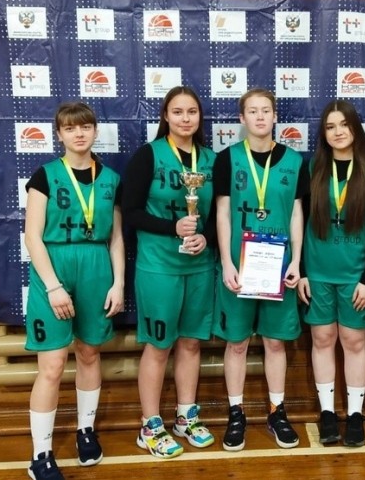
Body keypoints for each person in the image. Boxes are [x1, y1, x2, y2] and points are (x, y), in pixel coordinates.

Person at [24, 102, 125, 480]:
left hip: (96, 265)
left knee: (89, 352)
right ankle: (41, 455)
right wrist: (53, 286)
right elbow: (32, 236)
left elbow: (116, 238)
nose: (79, 134)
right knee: (52, 366)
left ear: (95, 131)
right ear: (60, 134)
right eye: (70, 128)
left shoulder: (111, 178)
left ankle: (85, 430)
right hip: (55, 266)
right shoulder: (45, 175)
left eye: (84, 127)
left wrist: (118, 282)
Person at [122, 86, 217, 458]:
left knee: (191, 343)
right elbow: (130, 212)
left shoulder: (210, 159)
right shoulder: (149, 155)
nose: (185, 118)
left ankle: (185, 418)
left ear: (199, 116)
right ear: (165, 116)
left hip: (199, 265)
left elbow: (217, 215)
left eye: (192, 111)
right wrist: (171, 228)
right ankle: (150, 426)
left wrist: (206, 237)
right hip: (159, 266)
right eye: (177, 112)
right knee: (160, 345)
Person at [212, 87, 308, 451]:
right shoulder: (227, 159)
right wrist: (226, 262)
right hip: (240, 263)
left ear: (275, 115)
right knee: (237, 342)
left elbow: (296, 213)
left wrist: (296, 261)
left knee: (274, 341)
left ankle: (276, 411)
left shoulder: (294, 161)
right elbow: (222, 213)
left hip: (278, 264)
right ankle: (236, 413)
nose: (260, 117)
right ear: (242, 118)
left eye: (266, 110)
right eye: (252, 111)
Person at [297, 100, 365, 447]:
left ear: (355, 128)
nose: (338, 132)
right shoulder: (312, 168)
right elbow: (300, 221)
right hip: (318, 273)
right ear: (323, 133)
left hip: (356, 275)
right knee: (322, 339)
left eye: (344, 125)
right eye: (330, 126)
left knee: (354, 341)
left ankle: (354, 414)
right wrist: (302, 272)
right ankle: (326, 413)